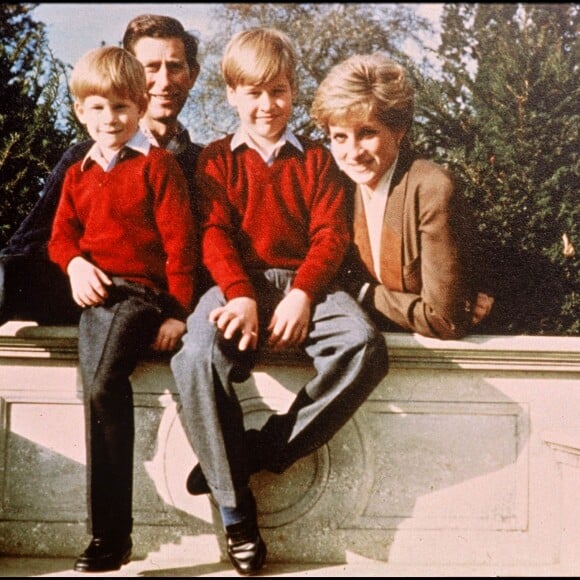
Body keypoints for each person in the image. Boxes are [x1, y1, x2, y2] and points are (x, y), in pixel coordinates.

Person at [170, 28, 389, 576]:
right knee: (195, 354)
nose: (267, 106)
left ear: (294, 92)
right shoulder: (216, 160)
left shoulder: (316, 160)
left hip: (304, 284)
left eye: (279, 92)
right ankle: (235, 511)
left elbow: (330, 237)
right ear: (231, 96)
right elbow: (213, 233)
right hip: (234, 283)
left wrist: (303, 294)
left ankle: (259, 452)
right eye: (253, 93)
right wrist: (241, 295)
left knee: (363, 344)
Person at [47, 46, 197, 573]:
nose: (109, 120)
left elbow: (181, 245)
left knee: (104, 383)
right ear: (81, 112)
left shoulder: (157, 166)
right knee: (94, 390)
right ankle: (106, 532)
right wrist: (73, 266)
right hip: (98, 295)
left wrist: (178, 312)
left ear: (139, 106)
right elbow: (60, 237)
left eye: (121, 108)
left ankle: (113, 535)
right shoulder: (79, 173)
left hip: (142, 296)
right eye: (97, 108)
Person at [0, 13, 205, 326]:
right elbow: (29, 244)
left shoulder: (206, 163)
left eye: (175, 66)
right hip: (89, 293)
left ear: (192, 75)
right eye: (150, 68)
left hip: (162, 306)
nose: (164, 81)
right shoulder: (83, 160)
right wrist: (76, 265)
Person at [310, 52, 494, 340]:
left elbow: (445, 319)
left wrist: (361, 294)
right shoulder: (336, 189)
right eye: (340, 137)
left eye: (367, 133)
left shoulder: (431, 188)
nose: (353, 153)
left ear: (399, 129)